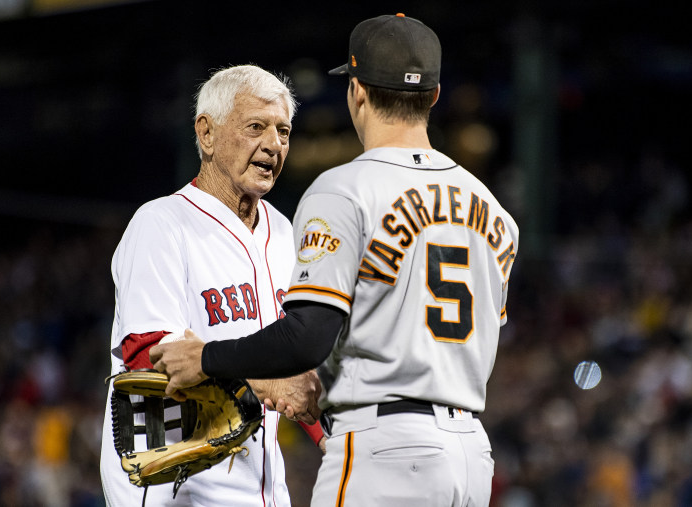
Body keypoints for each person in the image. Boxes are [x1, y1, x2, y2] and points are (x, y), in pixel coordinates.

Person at [151, 14, 520, 506]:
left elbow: (306, 338)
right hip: (471, 456)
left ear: (358, 92)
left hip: (384, 450)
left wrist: (206, 357)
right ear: (432, 97)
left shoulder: (344, 190)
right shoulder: (495, 212)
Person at [99, 64, 326, 507]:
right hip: (174, 488)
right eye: (255, 127)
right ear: (206, 134)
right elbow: (146, 356)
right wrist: (263, 383)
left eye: (283, 131)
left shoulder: (284, 234)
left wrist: (328, 437)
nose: (273, 145)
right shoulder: (162, 224)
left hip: (262, 489)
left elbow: (297, 379)